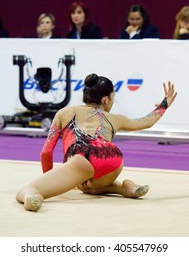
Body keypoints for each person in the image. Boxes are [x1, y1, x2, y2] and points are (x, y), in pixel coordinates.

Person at [16, 74, 177, 212]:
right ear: (105, 99)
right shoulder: (115, 118)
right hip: (113, 160)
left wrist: (49, 179)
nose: (112, 103)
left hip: (83, 157)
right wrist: (164, 106)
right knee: (87, 186)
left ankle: (32, 196)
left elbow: (46, 152)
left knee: (26, 190)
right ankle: (124, 187)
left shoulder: (63, 113)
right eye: (113, 99)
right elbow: (145, 122)